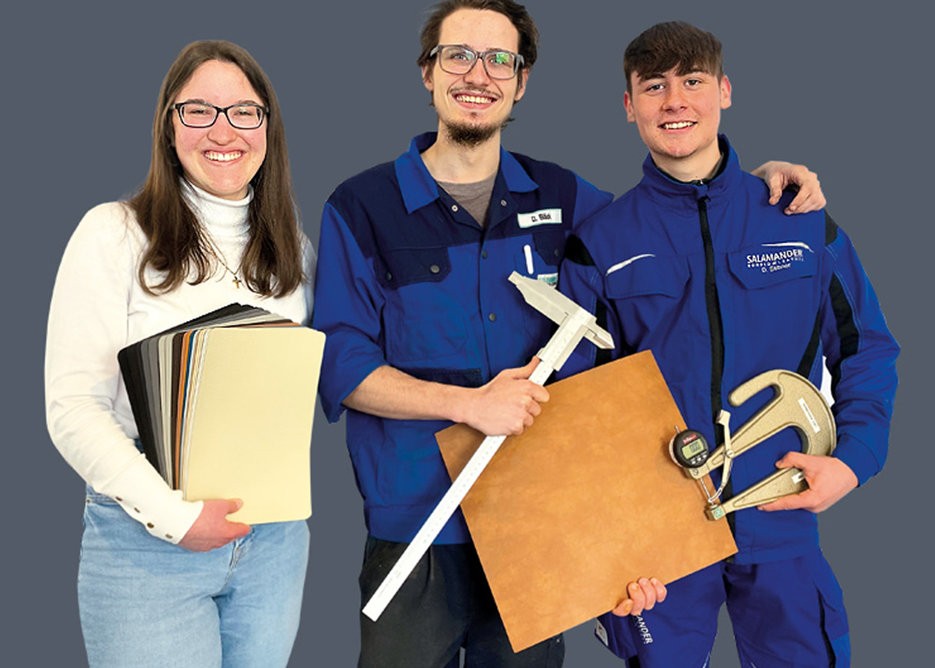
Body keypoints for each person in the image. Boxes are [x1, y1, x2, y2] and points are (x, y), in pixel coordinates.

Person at [312, 2, 824, 665]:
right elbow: (339, 364)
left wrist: (752, 190)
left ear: (520, 81)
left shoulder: (566, 198)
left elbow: (671, 226)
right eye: (458, 55)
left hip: (542, 531)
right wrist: (468, 405)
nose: (478, 74)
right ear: (427, 72)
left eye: (500, 60)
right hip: (416, 529)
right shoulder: (361, 206)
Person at [558, 21, 899, 668]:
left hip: (782, 508)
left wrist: (854, 459)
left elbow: (867, 350)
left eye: (692, 81)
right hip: (658, 535)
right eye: (653, 87)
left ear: (724, 92)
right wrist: (608, 542)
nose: (674, 101)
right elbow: (575, 405)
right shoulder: (600, 242)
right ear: (629, 106)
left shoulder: (799, 221)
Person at [45, 40, 314, 667]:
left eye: (243, 112)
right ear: (169, 127)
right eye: (199, 111)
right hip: (147, 544)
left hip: (273, 546)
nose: (223, 130)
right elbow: (73, 408)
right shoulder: (114, 234)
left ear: (268, 127)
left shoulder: (294, 251)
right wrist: (174, 517)